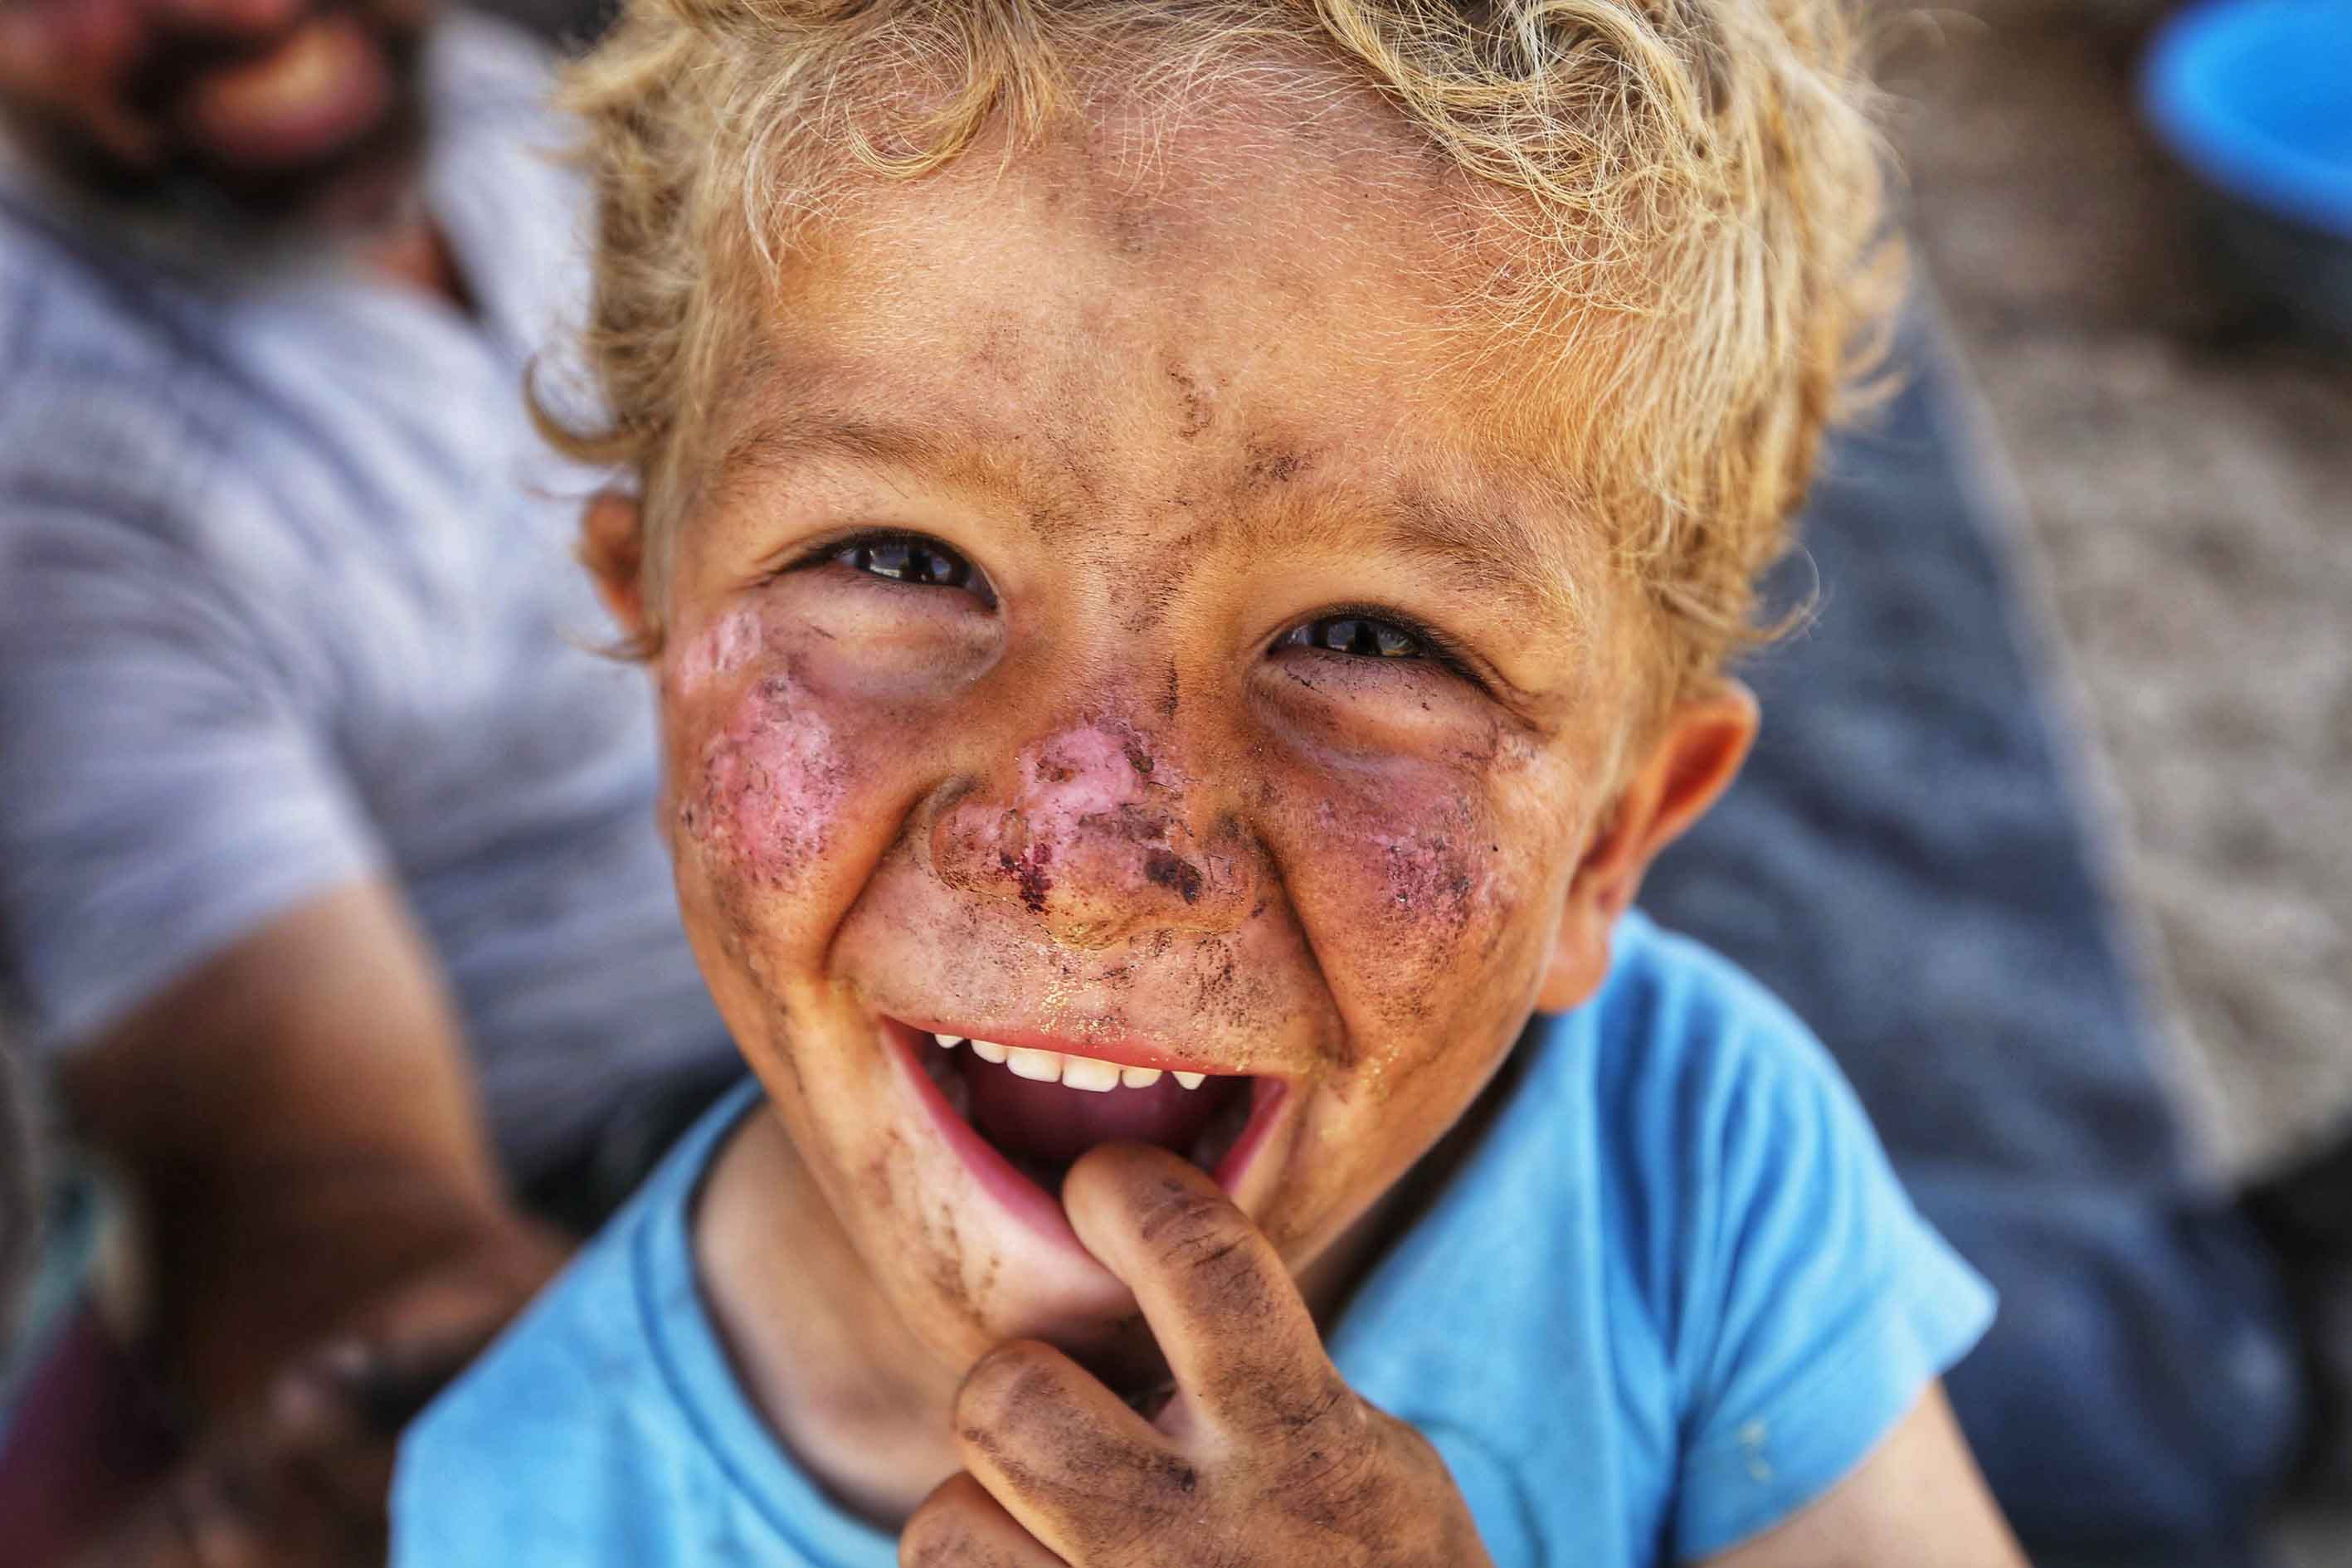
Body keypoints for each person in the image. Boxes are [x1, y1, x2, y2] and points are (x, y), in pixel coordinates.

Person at [389, 0, 2032, 1561]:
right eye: (900, 559)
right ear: (657, 642)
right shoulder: (528, 1505)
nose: (1096, 861)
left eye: (1367, 638)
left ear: (1609, 843)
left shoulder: (1685, 1158)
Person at [0, 0, 738, 1553]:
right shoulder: (59, 493)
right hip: (625, 1180)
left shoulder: (500, 95)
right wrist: (472, 1378)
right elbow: (285, 1166)